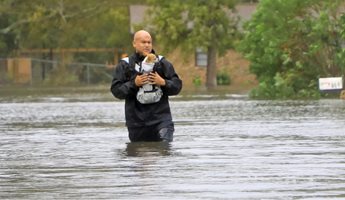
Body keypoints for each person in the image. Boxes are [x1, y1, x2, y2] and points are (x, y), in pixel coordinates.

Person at [110, 30, 182, 142]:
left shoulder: (162, 63)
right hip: (136, 124)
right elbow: (116, 91)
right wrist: (134, 84)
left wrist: (163, 82)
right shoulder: (125, 65)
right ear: (134, 44)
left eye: (149, 42)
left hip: (161, 121)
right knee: (138, 153)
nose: (147, 45)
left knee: (164, 150)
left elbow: (177, 86)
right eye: (143, 42)